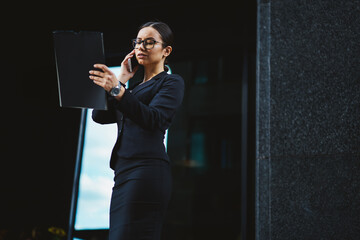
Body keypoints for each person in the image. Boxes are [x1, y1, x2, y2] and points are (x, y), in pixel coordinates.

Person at [89, 21, 184, 240]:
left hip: (146, 171)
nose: (141, 46)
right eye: (138, 41)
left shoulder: (171, 83)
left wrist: (118, 90)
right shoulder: (131, 88)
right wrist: (122, 79)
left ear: (166, 51)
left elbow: (154, 119)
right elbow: (99, 116)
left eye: (149, 42)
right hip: (122, 174)